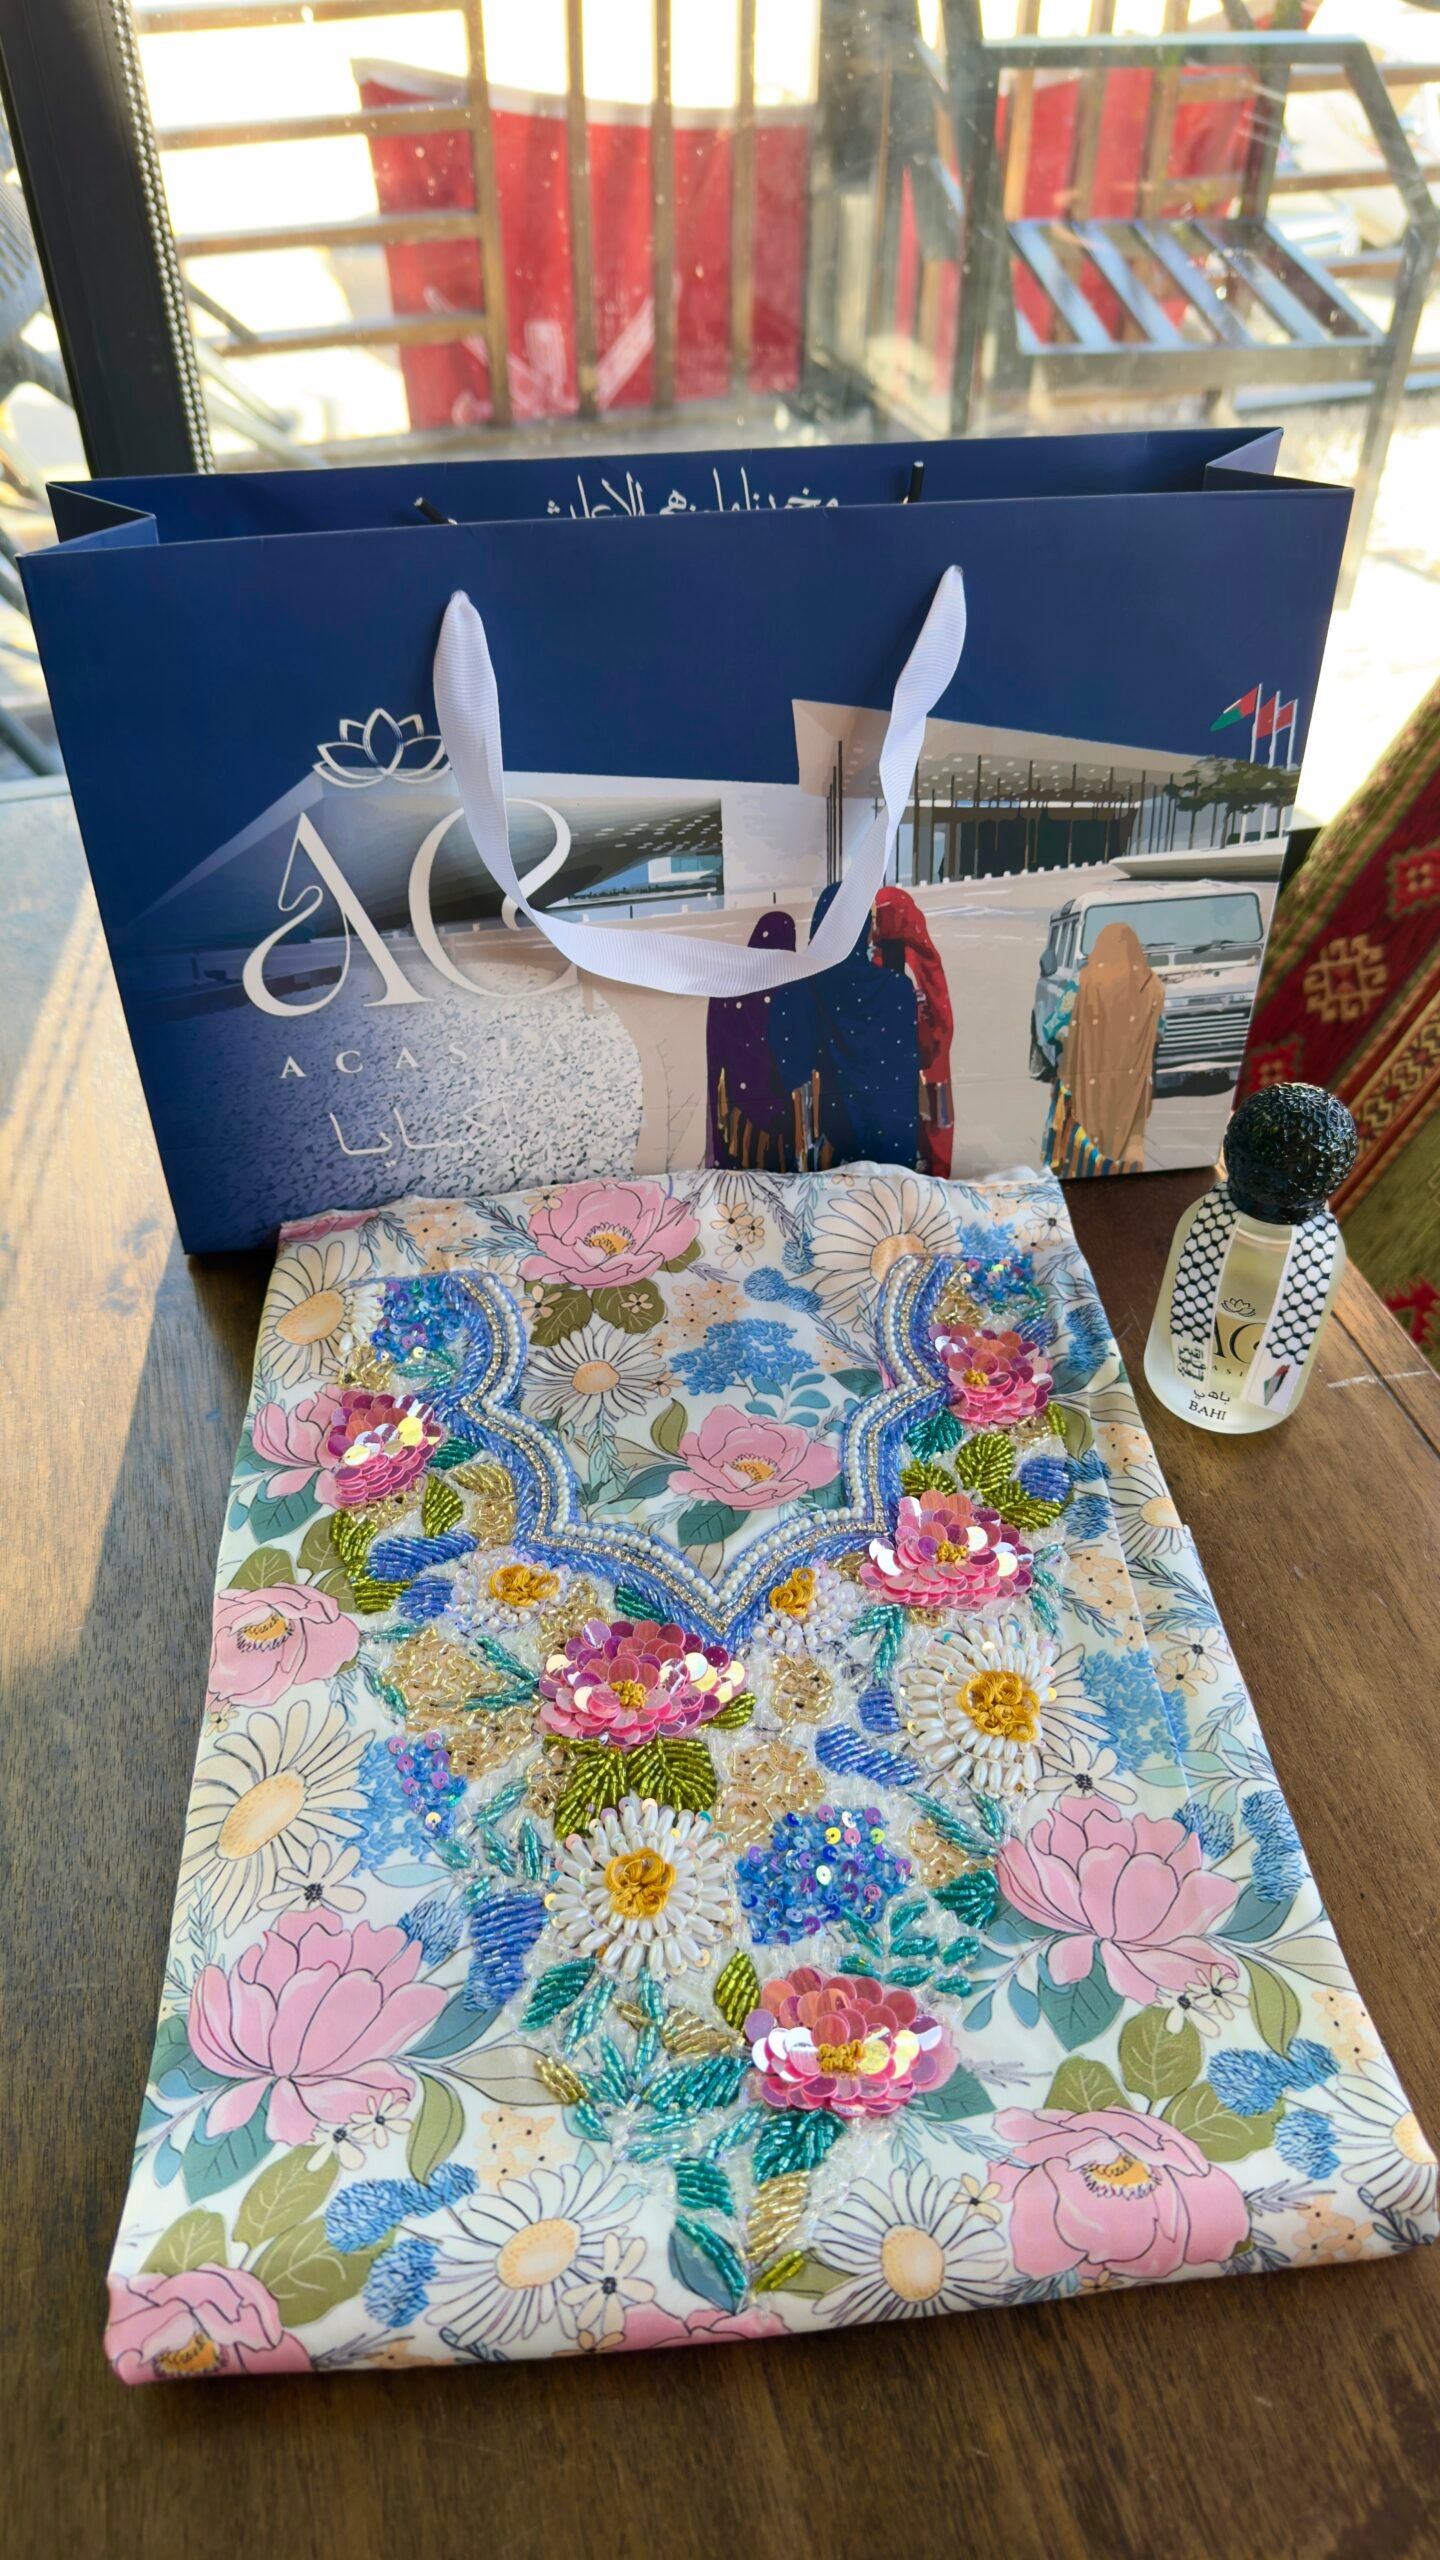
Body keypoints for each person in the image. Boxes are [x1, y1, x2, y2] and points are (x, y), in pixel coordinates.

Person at [769, 883, 920, 1169]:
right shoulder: (898, 989)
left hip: (831, 1151)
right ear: (863, 929)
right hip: (895, 1148)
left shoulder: (800, 992)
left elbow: (790, 1072)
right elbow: (909, 1066)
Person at [1046, 919, 1164, 1176]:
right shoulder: (1151, 984)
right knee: (1128, 1138)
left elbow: (1054, 1026)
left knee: (1080, 1135)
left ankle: (1082, 1172)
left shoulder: (1085, 980)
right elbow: (1160, 1032)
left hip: (1086, 1081)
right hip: (1131, 1084)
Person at [706, 909, 799, 1169]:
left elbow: (715, 1057)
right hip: (785, 1116)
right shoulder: (794, 991)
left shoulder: (728, 990)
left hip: (738, 1117)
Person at [872, 885, 955, 1176]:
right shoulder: (925, 960)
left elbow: (940, 1024)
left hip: (919, 1068)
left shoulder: (914, 961)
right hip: (926, 1068)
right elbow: (942, 1023)